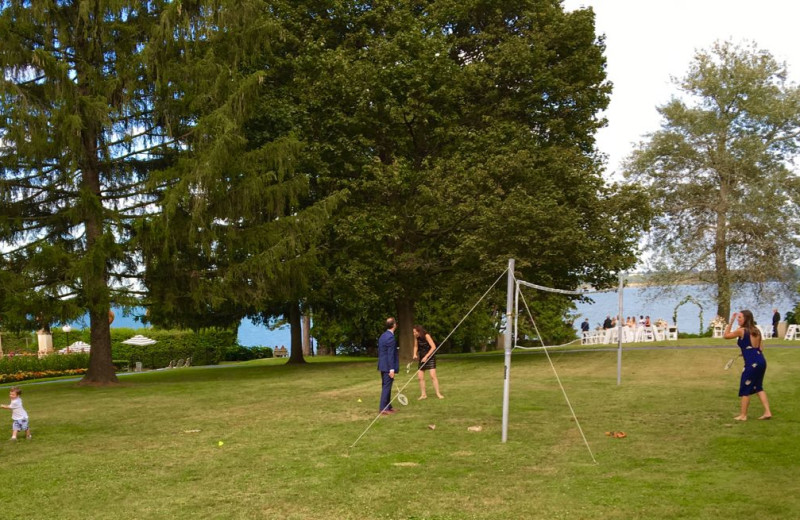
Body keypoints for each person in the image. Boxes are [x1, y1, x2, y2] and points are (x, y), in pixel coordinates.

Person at [723, 310, 772, 421]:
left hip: (751, 364)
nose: (737, 319)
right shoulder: (756, 330)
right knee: (758, 387)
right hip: (761, 360)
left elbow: (725, 336)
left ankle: (743, 415)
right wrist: (746, 352)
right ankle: (767, 412)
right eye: (737, 318)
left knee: (745, 388)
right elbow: (760, 348)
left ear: (746, 318)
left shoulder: (741, 331)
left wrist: (730, 322)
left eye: (739, 317)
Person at [413, 325, 444, 400]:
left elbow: (433, 347)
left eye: (415, 332)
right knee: (420, 377)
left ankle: (438, 393)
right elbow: (416, 346)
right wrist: (414, 354)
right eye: (413, 332)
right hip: (422, 358)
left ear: (419, 331)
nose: (414, 334)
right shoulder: (416, 337)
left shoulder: (427, 336)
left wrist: (426, 356)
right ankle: (423, 395)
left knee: (433, 376)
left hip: (430, 357)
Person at [377, 317, 400, 415]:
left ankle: (388, 406)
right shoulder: (390, 337)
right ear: (394, 325)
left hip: (382, 365)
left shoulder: (383, 335)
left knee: (387, 386)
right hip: (387, 366)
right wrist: (391, 369)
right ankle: (383, 408)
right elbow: (390, 354)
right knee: (386, 387)